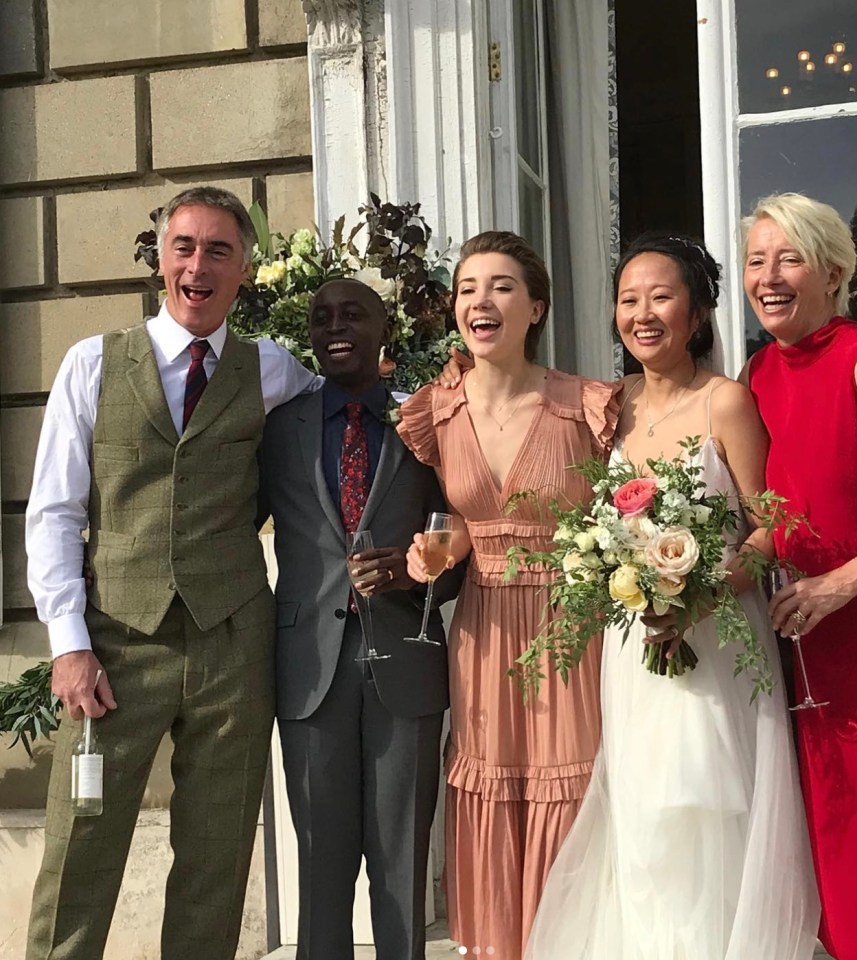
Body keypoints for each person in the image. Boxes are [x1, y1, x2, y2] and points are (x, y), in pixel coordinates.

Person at [24, 185, 319, 960]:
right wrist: (68, 643)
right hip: (114, 643)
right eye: (184, 247)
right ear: (160, 260)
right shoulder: (93, 363)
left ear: (245, 271)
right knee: (79, 843)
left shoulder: (274, 371)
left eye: (219, 250)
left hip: (232, 644)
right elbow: (54, 511)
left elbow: (346, 415)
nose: (198, 264)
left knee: (216, 857)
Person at [526, 234, 819, 959]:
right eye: (628, 300)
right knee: (644, 813)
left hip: (717, 643)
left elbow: (769, 526)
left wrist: (700, 594)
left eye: (661, 297)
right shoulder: (609, 406)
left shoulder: (727, 402)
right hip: (634, 649)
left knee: (706, 809)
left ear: (695, 314)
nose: (642, 313)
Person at [396, 231, 621, 958]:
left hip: (572, 626)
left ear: (535, 308)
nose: (479, 300)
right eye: (467, 288)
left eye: (499, 286)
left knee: (570, 790)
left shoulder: (586, 406)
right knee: (490, 786)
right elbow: (458, 520)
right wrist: (443, 548)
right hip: (484, 626)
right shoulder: (435, 412)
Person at [742, 193, 857, 960]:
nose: (768, 276)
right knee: (834, 861)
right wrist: (688, 574)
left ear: (834, 271)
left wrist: (838, 585)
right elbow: (784, 513)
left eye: (788, 258)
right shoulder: (758, 373)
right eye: (756, 260)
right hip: (811, 659)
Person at [257, 278, 461, 960]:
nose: (334, 327)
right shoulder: (276, 428)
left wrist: (416, 570)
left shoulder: (423, 425)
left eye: (352, 314)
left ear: (384, 331)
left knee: (400, 859)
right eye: (320, 318)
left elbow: (459, 537)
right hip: (307, 668)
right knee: (320, 861)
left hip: (405, 656)